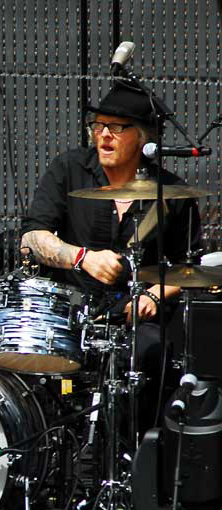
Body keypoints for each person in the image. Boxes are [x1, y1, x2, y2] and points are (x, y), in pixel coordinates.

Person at [21, 82, 202, 431]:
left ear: (144, 138)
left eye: (116, 128)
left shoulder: (173, 192)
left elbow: (188, 268)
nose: (103, 136)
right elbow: (30, 239)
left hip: (134, 322)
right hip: (71, 315)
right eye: (98, 126)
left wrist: (153, 293)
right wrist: (81, 257)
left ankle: (137, 456)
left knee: (154, 354)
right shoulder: (69, 169)